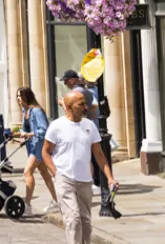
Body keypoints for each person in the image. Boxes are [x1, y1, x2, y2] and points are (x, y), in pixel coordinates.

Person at [43, 91, 117, 244]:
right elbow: (45, 152)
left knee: (86, 223)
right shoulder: (57, 126)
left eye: (85, 103)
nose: (85, 106)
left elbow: (99, 155)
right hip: (64, 178)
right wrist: (55, 173)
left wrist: (110, 178)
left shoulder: (89, 126)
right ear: (69, 107)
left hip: (85, 181)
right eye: (81, 104)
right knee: (74, 219)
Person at [17, 86, 58, 214]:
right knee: (44, 173)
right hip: (32, 145)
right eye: (17, 96)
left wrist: (30, 134)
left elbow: (44, 129)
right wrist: (23, 136)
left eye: (20, 96)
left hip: (40, 146)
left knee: (27, 172)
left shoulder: (36, 111)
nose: (18, 98)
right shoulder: (25, 110)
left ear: (26, 97)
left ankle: (27, 205)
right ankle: (56, 201)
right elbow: (27, 129)